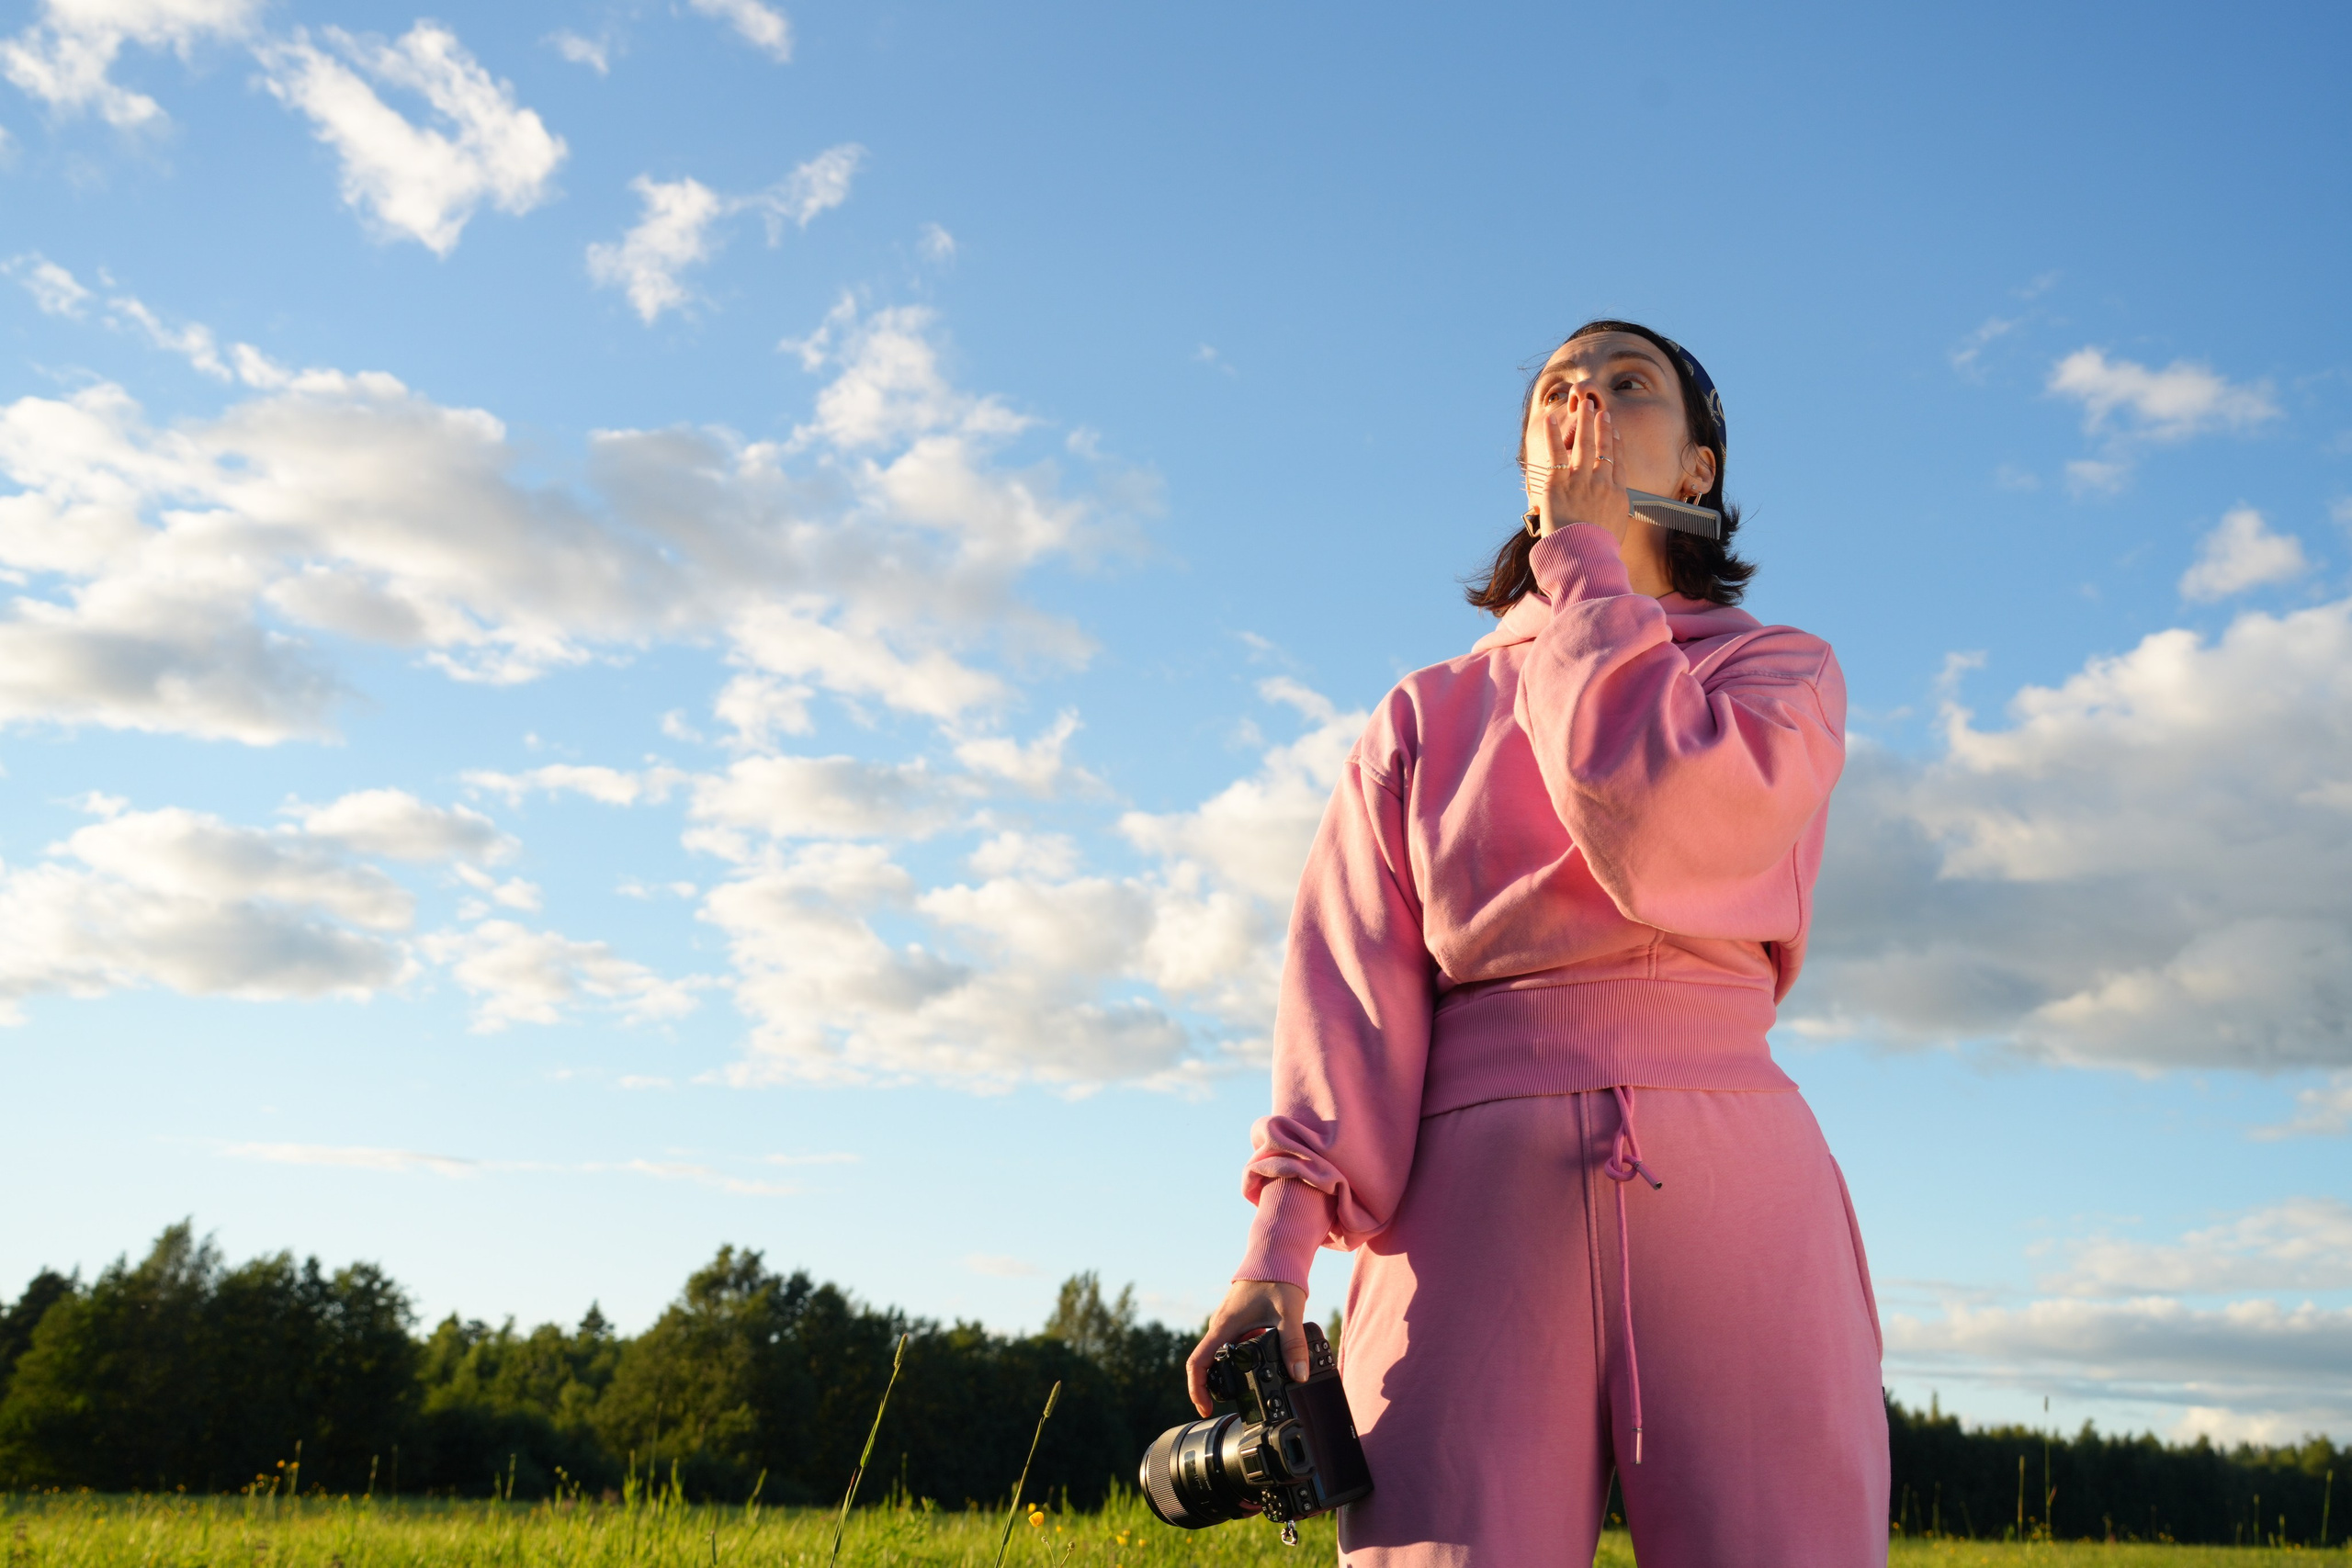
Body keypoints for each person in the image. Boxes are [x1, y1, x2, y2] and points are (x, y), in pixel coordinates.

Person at [1188, 321, 1887, 1565]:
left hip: (1732, 1175)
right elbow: (1347, 999)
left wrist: (1583, 573)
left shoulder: (1779, 674)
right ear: (1530, 468)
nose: (1589, 402)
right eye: (1559, 389)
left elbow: (1661, 825)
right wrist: (1280, 1248)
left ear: (1702, 469)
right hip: (1466, 1202)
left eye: (1630, 384)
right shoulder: (1423, 713)